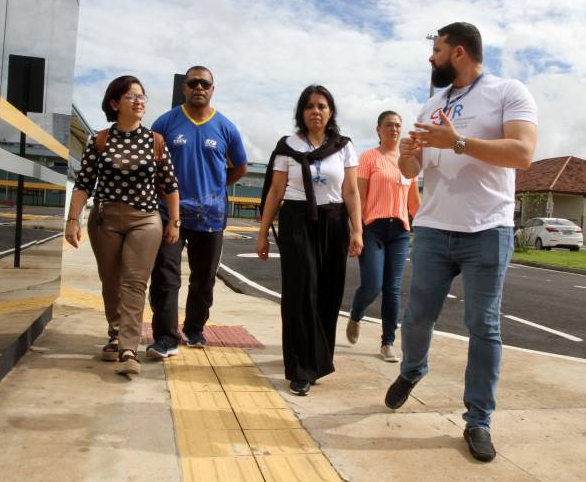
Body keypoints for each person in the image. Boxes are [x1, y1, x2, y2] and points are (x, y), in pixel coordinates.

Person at [383, 22, 537, 462]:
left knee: (482, 325)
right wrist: (410, 156)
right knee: (415, 318)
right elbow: (412, 172)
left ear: (459, 53)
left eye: (436, 50)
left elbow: (523, 154)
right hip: (433, 227)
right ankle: (413, 370)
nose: (430, 59)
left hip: (487, 229)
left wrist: (460, 142)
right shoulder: (432, 104)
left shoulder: (509, 92)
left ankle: (478, 420)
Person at [65, 75, 180, 375]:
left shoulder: (155, 141)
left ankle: (128, 348)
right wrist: (72, 219)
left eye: (142, 96)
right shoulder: (100, 140)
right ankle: (115, 332)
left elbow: (169, 185)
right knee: (111, 280)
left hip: (145, 219)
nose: (139, 101)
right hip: (105, 219)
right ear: (115, 103)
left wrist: (174, 222)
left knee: (134, 281)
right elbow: (84, 183)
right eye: (131, 96)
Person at [257, 84, 363, 396]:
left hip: (333, 223)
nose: (315, 111)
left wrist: (357, 230)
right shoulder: (287, 147)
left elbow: (351, 191)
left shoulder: (343, 146)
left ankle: (317, 360)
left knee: (328, 294)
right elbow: (275, 193)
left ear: (330, 113)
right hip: (296, 222)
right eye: (309, 106)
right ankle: (300, 368)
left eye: (322, 106)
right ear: (301, 112)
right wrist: (262, 234)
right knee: (301, 292)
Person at [146, 66, 247, 356]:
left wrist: (218, 185)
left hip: (211, 217)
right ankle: (165, 337)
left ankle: (194, 329)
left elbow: (240, 167)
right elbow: (150, 163)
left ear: (213, 89)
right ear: (184, 88)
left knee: (203, 279)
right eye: (193, 83)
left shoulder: (226, 127)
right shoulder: (165, 123)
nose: (199, 87)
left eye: (205, 83)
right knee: (166, 276)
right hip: (169, 215)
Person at [345, 111, 420, 362]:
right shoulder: (369, 158)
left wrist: (426, 228)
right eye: (389, 125)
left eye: (398, 125)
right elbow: (359, 197)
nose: (394, 129)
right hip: (372, 228)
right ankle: (356, 314)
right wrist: (355, 230)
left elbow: (414, 203)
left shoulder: (409, 162)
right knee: (373, 284)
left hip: (399, 232)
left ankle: (388, 342)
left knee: (393, 289)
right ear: (378, 129)